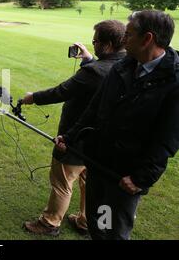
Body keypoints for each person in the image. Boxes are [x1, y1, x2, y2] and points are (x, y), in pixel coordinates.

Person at [55, 10, 179, 240]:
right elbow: (95, 108)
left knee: (113, 232)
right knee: (97, 223)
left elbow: (168, 138)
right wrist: (70, 137)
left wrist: (141, 179)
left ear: (148, 39)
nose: (123, 40)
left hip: (125, 177)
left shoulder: (174, 81)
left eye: (128, 35)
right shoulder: (124, 65)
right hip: (98, 162)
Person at [22, 20, 127, 236]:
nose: (94, 44)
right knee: (89, 181)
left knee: (62, 181)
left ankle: (50, 222)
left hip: (76, 138)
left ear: (107, 45)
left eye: (95, 41)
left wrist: (32, 98)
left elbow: (61, 91)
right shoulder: (127, 65)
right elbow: (101, 72)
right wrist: (89, 59)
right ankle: (86, 221)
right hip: (103, 143)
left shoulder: (95, 72)